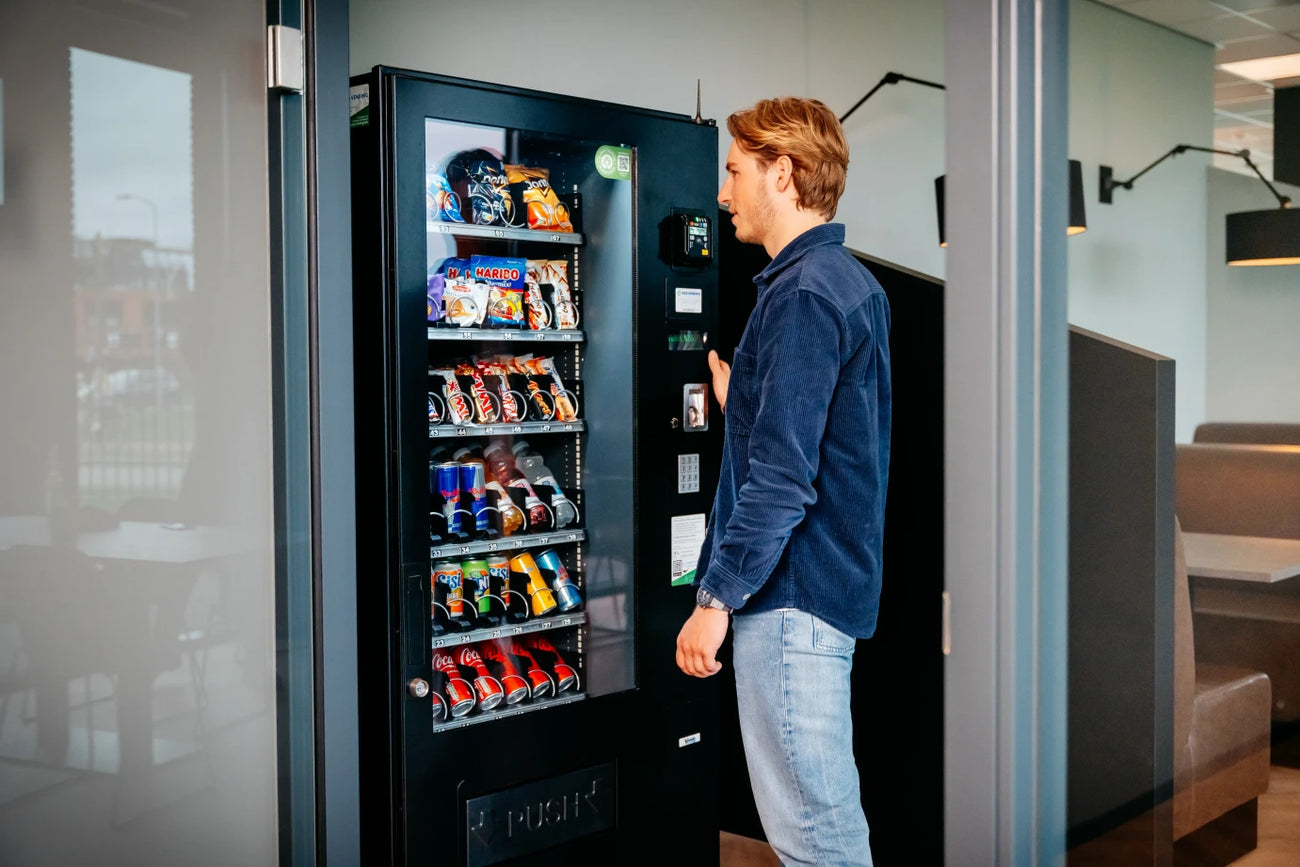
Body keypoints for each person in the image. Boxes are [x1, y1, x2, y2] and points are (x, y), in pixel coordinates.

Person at [675, 96, 891, 867]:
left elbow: (781, 482)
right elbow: (826, 443)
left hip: (786, 602)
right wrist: (751, 407)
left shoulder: (800, 295)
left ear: (783, 172)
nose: (724, 192)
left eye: (734, 172)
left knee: (817, 842)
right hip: (822, 596)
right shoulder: (847, 282)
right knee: (822, 828)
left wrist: (714, 598)